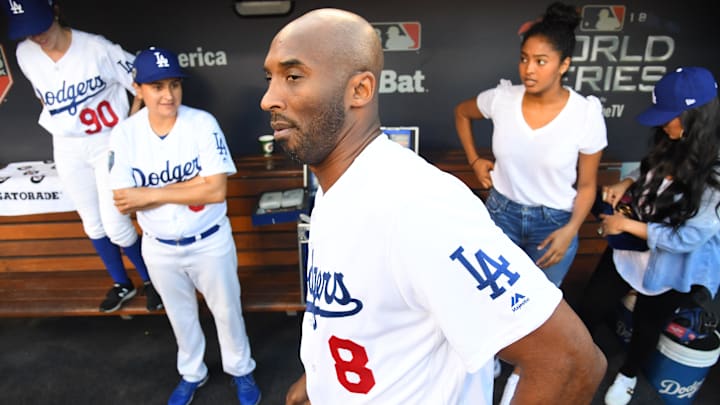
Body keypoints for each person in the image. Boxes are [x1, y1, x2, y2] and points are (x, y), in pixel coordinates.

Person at [261, 8, 606, 405]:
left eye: (293, 76)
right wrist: (320, 379)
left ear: (359, 90)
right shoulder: (336, 187)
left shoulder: (419, 206)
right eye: (269, 77)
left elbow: (571, 363)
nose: (269, 97)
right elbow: (357, 316)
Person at [454, 3, 607, 401]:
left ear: (564, 65)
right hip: (500, 215)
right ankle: (488, 360)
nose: (529, 69)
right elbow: (461, 113)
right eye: (524, 59)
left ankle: (521, 374)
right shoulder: (503, 100)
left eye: (541, 61)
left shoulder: (585, 115)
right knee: (486, 296)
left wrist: (570, 231)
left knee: (533, 312)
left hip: (552, 226)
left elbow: (588, 186)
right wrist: (475, 160)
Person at [108, 47, 261, 405]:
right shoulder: (125, 134)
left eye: (174, 84)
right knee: (180, 316)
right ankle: (193, 372)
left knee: (227, 311)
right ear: (138, 88)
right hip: (159, 245)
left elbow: (215, 189)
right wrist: (185, 188)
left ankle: (240, 369)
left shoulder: (201, 123)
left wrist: (150, 195)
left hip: (208, 239)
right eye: (157, 86)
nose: (168, 94)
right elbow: (124, 199)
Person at [1, 0, 159, 312]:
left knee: (116, 225)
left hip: (106, 143)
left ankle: (152, 280)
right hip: (67, 145)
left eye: (39, 25)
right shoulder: (24, 53)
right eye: (26, 30)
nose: (36, 35)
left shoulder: (97, 48)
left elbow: (143, 83)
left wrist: (130, 123)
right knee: (92, 224)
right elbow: (43, 96)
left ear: (55, 11)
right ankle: (121, 283)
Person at [578, 66, 720, 405]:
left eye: (669, 116)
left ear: (696, 116)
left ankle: (627, 376)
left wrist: (626, 225)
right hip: (630, 248)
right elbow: (649, 170)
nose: (662, 123)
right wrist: (626, 184)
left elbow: (688, 239)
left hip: (673, 265)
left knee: (647, 323)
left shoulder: (715, 170)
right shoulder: (671, 138)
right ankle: (573, 358)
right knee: (591, 305)